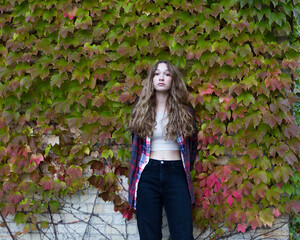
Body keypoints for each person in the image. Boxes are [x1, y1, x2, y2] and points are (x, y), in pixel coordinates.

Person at [128, 60, 198, 240]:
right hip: (148, 173)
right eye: (157, 73)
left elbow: (192, 147)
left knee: (183, 234)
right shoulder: (140, 110)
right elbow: (136, 147)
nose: (161, 77)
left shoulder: (185, 111)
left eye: (167, 74)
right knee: (149, 235)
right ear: (151, 79)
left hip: (176, 173)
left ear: (173, 80)